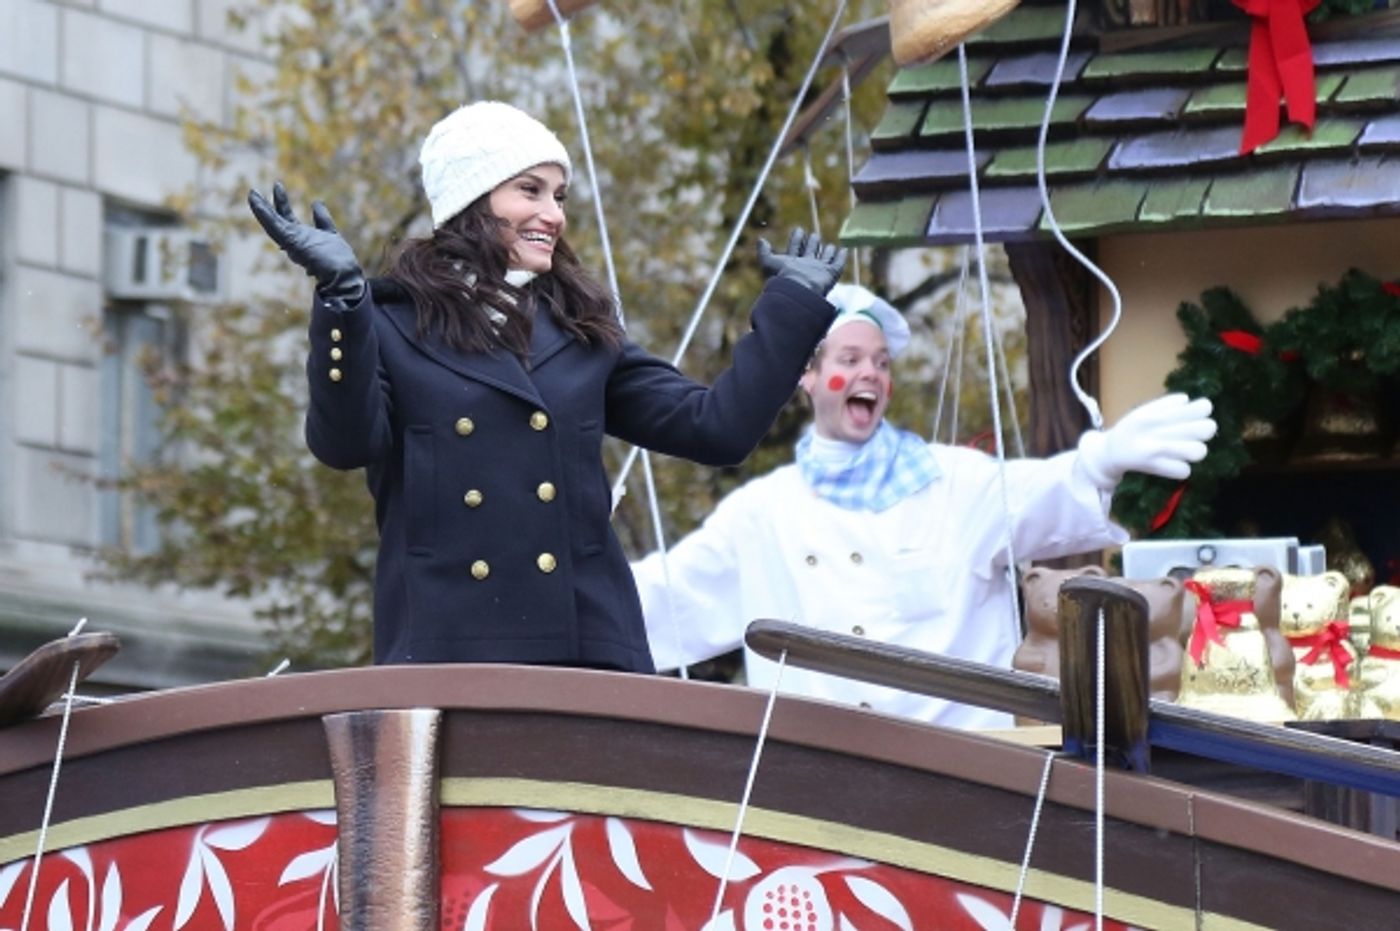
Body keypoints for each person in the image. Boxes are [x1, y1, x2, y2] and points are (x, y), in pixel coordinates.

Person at [247, 100, 846, 671]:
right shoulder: (388, 324)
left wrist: (791, 309)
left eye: (558, 196)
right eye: (529, 190)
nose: (554, 215)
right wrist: (342, 302)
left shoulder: (582, 330)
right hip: (447, 657)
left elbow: (717, 429)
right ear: (472, 199)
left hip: (590, 658)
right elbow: (344, 444)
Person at [632, 283, 1217, 728]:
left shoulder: (955, 483)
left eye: (881, 362)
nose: (870, 373)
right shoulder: (762, 513)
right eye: (850, 360)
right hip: (814, 784)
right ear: (806, 377)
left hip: (959, 778)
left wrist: (1099, 462)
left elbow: (1039, 495)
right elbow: (667, 597)